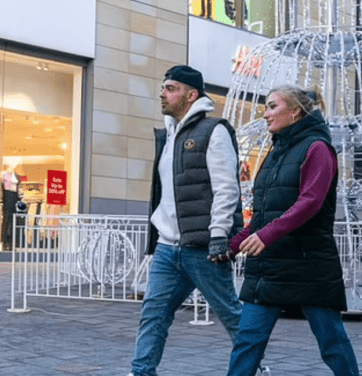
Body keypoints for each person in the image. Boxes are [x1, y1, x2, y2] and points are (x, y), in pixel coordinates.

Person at [219, 84, 359, 376]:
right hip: (269, 267)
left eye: (272, 106)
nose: (265, 114)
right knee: (247, 340)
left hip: (308, 265)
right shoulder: (274, 153)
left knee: (331, 342)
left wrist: (265, 237)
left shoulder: (318, 148)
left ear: (295, 112)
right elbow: (262, 216)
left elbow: (311, 202)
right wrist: (230, 247)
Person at [128, 65, 256, 376]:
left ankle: (256, 369)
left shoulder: (214, 131)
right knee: (153, 313)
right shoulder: (168, 135)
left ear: (191, 94)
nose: (163, 93)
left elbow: (227, 187)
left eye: (170, 88)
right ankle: (142, 371)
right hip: (167, 248)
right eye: (163, 87)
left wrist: (218, 234)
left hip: (202, 247)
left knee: (231, 315)